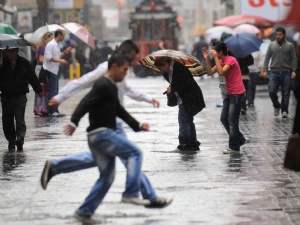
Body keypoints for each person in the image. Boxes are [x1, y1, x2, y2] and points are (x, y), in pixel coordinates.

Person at [42, 53, 172, 223]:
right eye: (125, 70)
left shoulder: (112, 84)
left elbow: (119, 110)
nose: (126, 73)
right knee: (134, 154)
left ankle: (84, 211)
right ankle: (133, 194)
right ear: (114, 67)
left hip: (105, 133)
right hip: (102, 134)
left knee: (107, 176)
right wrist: (73, 122)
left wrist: (138, 125)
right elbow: (85, 101)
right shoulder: (103, 82)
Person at [202, 42, 246, 154]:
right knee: (223, 119)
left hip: (237, 93)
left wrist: (216, 58)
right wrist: (207, 59)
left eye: (214, 51)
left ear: (220, 52)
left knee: (232, 121)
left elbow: (221, 72)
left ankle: (234, 148)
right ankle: (240, 139)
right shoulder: (221, 61)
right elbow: (209, 72)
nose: (213, 53)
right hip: (229, 93)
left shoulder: (231, 60)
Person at [153, 57, 205, 151]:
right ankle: (193, 143)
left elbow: (184, 84)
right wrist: (165, 75)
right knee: (188, 120)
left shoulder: (178, 68)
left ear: (165, 64)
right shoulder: (171, 70)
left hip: (190, 98)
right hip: (186, 98)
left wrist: (172, 89)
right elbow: (174, 82)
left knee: (183, 120)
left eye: (161, 68)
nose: (160, 71)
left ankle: (184, 144)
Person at [0, 47, 42, 151]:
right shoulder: (2, 63)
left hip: (20, 95)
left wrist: (38, 90)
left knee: (19, 118)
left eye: (14, 50)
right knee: (7, 120)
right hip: (6, 95)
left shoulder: (24, 63)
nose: (11, 53)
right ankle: (11, 140)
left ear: (17, 51)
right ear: (7, 51)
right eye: (9, 51)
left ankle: (20, 139)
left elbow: (32, 76)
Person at [263, 26, 297, 118]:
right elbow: (267, 58)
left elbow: (294, 58)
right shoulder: (272, 45)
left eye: (280, 35)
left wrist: (294, 70)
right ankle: (277, 105)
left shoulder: (290, 45)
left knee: (285, 93)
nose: (278, 36)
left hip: (286, 72)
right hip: (274, 72)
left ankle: (284, 111)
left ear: (284, 35)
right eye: (277, 34)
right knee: (272, 91)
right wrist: (265, 70)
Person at [43, 29, 71, 117]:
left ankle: (55, 109)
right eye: (63, 35)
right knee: (52, 91)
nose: (63, 37)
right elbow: (48, 57)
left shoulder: (56, 45)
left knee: (55, 91)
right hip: (50, 70)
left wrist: (64, 53)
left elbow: (57, 55)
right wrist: (60, 60)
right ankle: (52, 111)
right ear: (59, 35)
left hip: (55, 70)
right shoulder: (50, 44)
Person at [33, 32, 53, 116]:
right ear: (46, 39)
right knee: (41, 88)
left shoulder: (46, 47)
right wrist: (50, 58)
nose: (52, 40)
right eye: (50, 39)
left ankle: (42, 108)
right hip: (41, 69)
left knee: (44, 88)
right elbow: (41, 59)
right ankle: (39, 108)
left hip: (44, 69)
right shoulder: (43, 47)